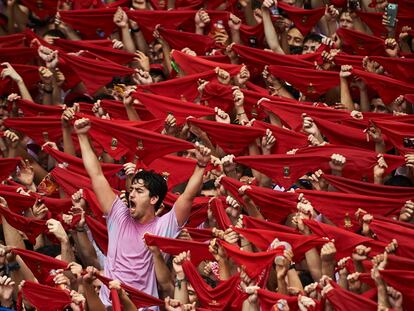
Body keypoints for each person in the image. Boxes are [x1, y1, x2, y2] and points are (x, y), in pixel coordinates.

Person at [73, 117, 211, 306]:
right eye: (132, 190)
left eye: (139, 191)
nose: (132, 195)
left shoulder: (165, 225)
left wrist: (201, 166)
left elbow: (187, 196)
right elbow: (96, 175)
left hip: (143, 307)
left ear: (154, 199)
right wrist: (82, 136)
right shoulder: (118, 214)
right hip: (108, 304)